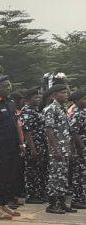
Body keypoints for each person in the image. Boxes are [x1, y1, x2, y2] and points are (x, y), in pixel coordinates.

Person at [0, 74, 25, 220]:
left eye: (9, 85)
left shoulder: (10, 104)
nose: (8, 88)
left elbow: (15, 124)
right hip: (0, 147)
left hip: (12, 146)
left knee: (9, 177)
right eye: (5, 86)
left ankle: (4, 204)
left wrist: (21, 143)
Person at [44, 84, 76, 214]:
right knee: (55, 177)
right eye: (62, 92)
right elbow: (49, 130)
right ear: (54, 95)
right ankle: (52, 204)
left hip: (65, 148)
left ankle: (61, 203)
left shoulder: (62, 109)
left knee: (63, 177)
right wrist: (55, 149)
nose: (66, 94)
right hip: (57, 149)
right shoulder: (51, 109)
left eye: (66, 92)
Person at [20, 88, 47, 204]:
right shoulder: (27, 112)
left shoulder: (36, 110)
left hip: (40, 144)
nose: (39, 99)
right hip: (33, 145)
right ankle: (31, 195)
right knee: (32, 171)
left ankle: (39, 194)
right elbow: (27, 131)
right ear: (28, 100)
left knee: (39, 171)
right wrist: (32, 148)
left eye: (39, 97)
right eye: (35, 97)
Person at [68, 90, 86, 209]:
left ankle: (82, 198)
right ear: (76, 102)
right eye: (83, 99)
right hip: (82, 148)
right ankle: (76, 199)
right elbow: (74, 132)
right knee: (79, 174)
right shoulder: (78, 114)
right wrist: (81, 147)